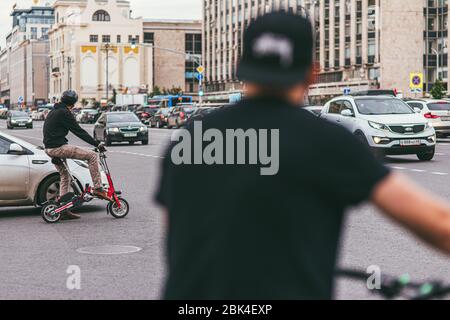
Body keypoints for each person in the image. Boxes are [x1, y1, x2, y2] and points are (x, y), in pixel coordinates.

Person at [156, 12, 450, 300]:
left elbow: (176, 240)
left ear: (238, 66)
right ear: (312, 72)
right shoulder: (326, 143)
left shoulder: (189, 138)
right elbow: (438, 224)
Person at [43, 90, 109, 220]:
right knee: (91, 156)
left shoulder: (54, 111)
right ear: (72, 104)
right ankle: (98, 188)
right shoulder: (64, 113)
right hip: (58, 148)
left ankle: (63, 210)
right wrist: (96, 144)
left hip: (49, 148)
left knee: (65, 176)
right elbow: (78, 131)